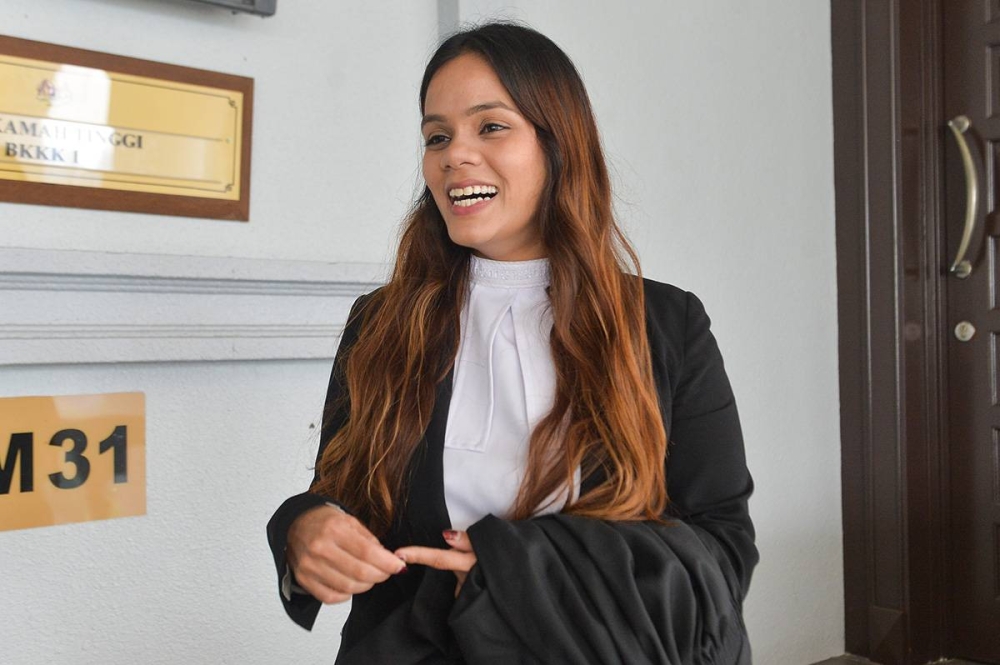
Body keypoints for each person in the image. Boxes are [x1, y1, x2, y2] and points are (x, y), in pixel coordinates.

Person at [267, 21, 757, 665]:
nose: (454, 155)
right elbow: (341, 491)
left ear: (559, 146)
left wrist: (518, 568)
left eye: (490, 127)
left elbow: (722, 549)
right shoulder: (382, 322)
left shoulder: (665, 323)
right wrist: (302, 529)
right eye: (437, 136)